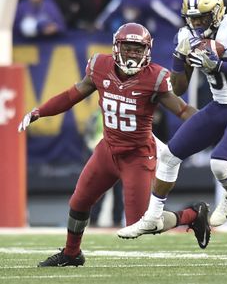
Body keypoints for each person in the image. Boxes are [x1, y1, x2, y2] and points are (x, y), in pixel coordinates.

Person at [18, 23, 211, 267]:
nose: (132, 54)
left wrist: (211, 122)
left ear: (147, 51)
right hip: (107, 150)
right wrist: (39, 111)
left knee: (142, 223)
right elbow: (71, 95)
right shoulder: (100, 67)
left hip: (138, 156)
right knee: (78, 202)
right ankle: (71, 253)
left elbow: (182, 109)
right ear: (116, 47)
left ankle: (192, 214)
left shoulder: (154, 78)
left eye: (137, 49)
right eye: (128, 48)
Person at [117, 0, 227, 239]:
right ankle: (151, 217)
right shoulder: (186, 36)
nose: (196, 24)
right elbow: (177, 87)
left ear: (217, 11)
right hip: (219, 106)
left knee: (219, 163)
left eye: (202, 18)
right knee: (169, 156)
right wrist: (181, 58)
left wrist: (219, 66)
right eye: (192, 19)